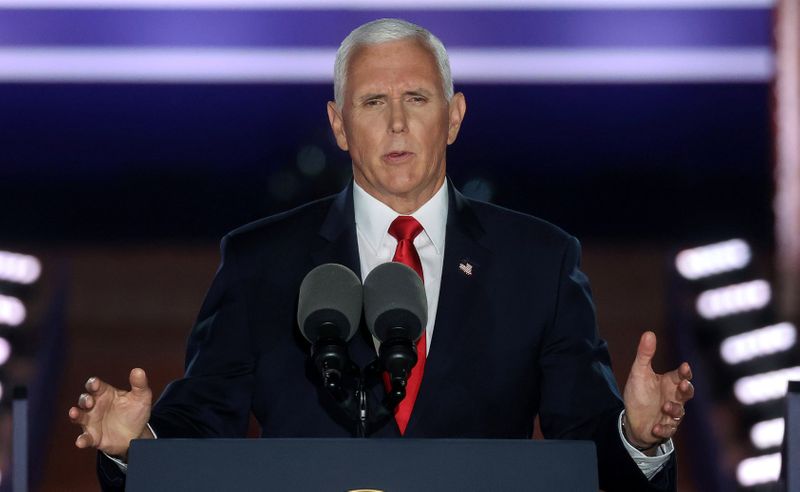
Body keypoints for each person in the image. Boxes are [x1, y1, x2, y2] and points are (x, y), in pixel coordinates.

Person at [69, 18, 694, 491]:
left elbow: (584, 444)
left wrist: (635, 436)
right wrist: (136, 446)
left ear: (454, 117)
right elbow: (204, 426)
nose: (396, 123)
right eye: (373, 102)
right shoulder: (261, 259)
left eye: (417, 100)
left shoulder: (541, 261)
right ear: (339, 125)